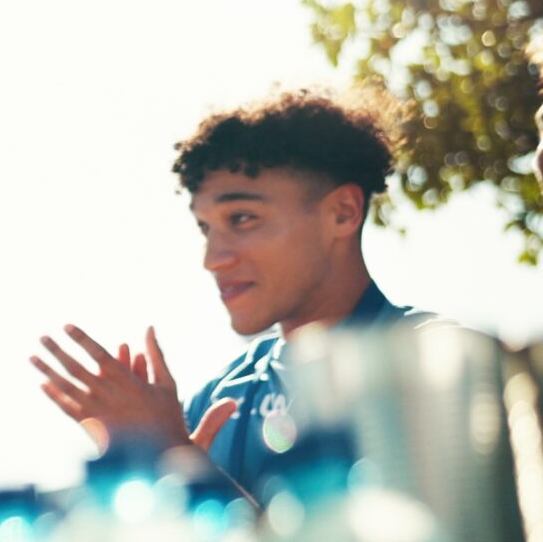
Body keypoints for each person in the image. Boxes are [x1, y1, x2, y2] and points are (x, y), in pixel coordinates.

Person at [30, 88, 419, 497]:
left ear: (342, 213)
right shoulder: (214, 402)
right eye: (205, 228)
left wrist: (175, 454)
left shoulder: (435, 367)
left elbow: (405, 536)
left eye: (242, 218)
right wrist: (143, 468)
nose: (212, 259)